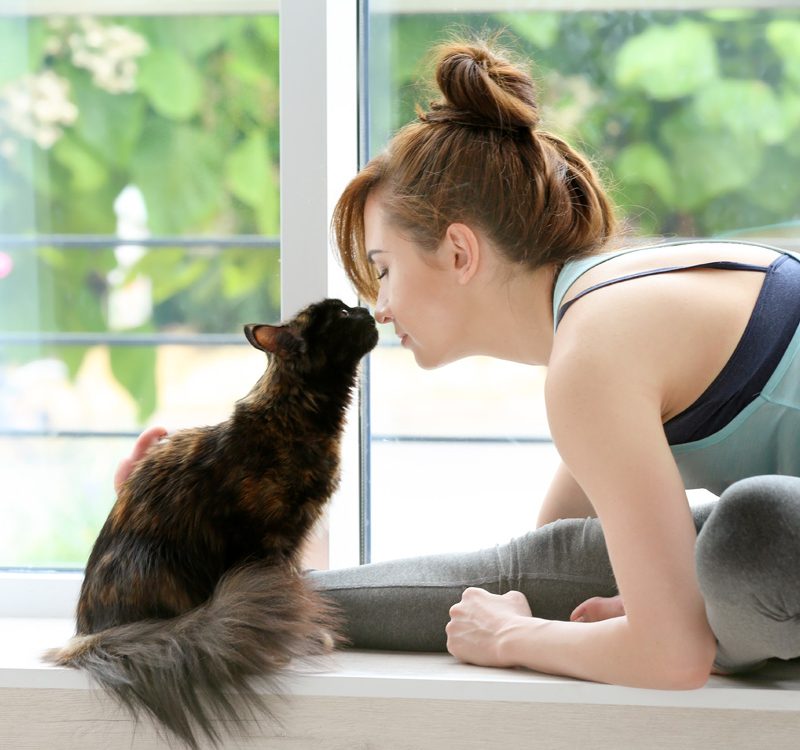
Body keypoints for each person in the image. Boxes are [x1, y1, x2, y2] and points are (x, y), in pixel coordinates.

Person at [117, 39, 800, 688]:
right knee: (648, 567)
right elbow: (538, 572)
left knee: (751, 539)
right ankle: (209, 591)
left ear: (460, 252)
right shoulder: (598, 317)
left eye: (384, 271)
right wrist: (201, 549)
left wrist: (513, 639)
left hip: (772, 539)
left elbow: (668, 657)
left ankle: (713, 617)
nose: (379, 308)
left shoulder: (595, 351)